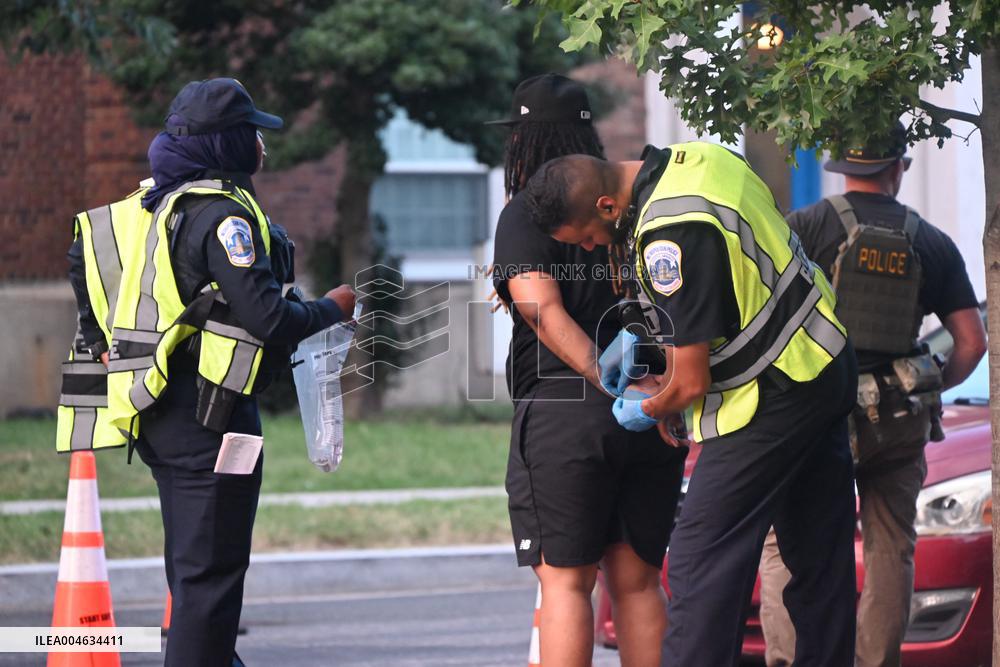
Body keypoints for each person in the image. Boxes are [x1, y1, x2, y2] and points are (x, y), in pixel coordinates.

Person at [522, 142, 859, 667]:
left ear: (608, 207)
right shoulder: (700, 161)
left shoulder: (668, 233)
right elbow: (734, 288)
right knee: (819, 558)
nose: (590, 249)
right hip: (821, 364)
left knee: (700, 563)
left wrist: (650, 405)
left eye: (587, 237)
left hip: (772, 393)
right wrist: (653, 347)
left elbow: (690, 383)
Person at [65, 78, 356, 666]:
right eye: (253, 133)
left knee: (195, 573)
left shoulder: (143, 205)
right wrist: (333, 308)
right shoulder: (222, 217)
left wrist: (99, 342)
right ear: (226, 144)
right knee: (209, 583)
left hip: (153, 414)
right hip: (213, 421)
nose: (261, 146)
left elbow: (83, 253)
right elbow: (268, 318)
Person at [757, 123, 986, 667]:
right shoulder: (929, 239)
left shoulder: (805, 227)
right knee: (889, 546)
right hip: (897, 418)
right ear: (897, 168)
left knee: (783, 544)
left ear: (841, 168)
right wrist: (931, 386)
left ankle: (790, 660)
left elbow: (762, 316)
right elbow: (972, 343)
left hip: (816, 414)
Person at [489, 74, 687, 666]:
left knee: (566, 584)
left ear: (522, 142)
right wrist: (647, 391)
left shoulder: (525, 212)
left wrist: (609, 383)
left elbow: (543, 313)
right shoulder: (629, 203)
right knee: (638, 584)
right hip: (651, 410)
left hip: (564, 415)